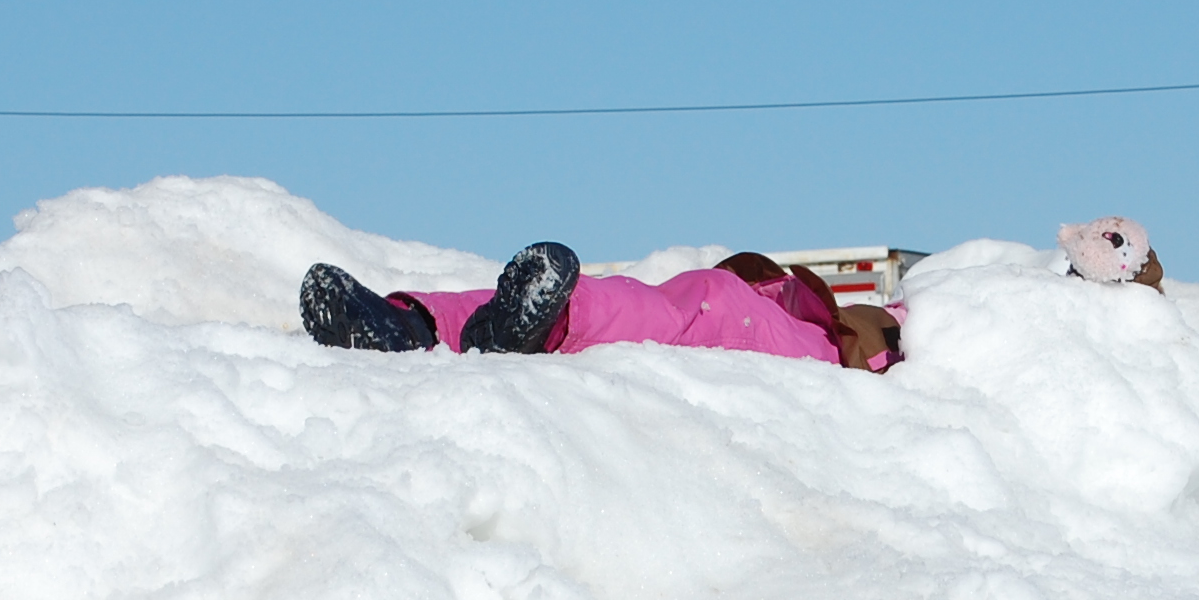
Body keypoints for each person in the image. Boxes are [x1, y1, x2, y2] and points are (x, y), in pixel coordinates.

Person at [302, 245, 903, 372]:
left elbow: (940, 335)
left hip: (823, 351)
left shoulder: (938, 321)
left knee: (696, 308)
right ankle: (410, 323)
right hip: (794, 316)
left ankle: (551, 321)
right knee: (678, 304)